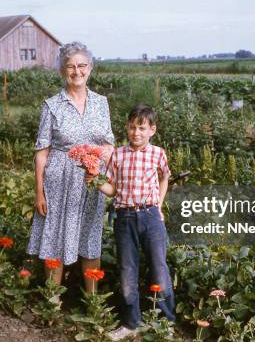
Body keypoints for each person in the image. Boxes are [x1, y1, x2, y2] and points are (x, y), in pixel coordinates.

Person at [26, 42, 114, 293]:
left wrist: (101, 158)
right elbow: (42, 152)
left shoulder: (101, 103)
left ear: (90, 68)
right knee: (54, 239)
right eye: (70, 66)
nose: (77, 71)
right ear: (62, 71)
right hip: (59, 182)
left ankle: (92, 303)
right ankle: (52, 301)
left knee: (90, 238)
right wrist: (39, 192)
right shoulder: (52, 105)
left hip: (91, 182)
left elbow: (109, 143)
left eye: (82, 65)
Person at [88, 104, 175, 341]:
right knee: (127, 270)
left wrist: (158, 204)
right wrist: (95, 181)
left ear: (152, 130)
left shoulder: (158, 153)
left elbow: (164, 177)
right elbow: (113, 189)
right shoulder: (118, 154)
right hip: (124, 217)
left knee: (159, 267)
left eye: (142, 128)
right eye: (132, 127)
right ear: (127, 128)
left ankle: (166, 323)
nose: (136, 132)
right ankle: (131, 323)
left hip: (150, 217)